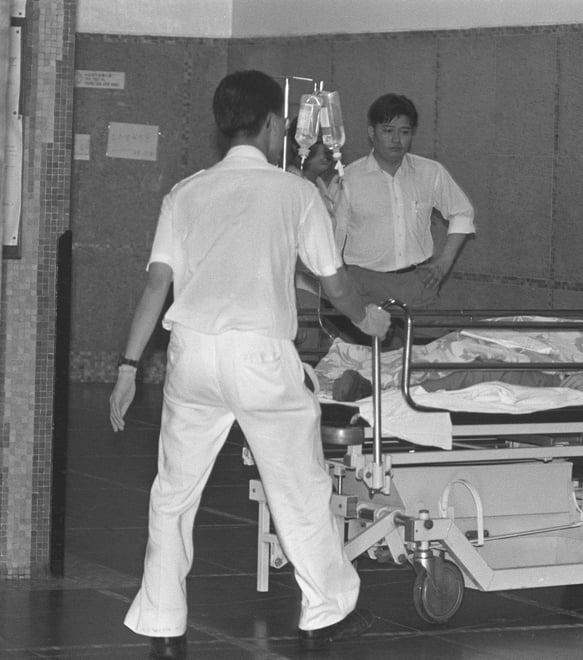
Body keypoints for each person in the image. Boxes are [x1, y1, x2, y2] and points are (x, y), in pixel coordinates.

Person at [107, 70, 391, 659]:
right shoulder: (294, 194)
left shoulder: (185, 193)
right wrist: (368, 320)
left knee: (173, 492)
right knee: (299, 487)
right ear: (271, 123)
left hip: (191, 356)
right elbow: (335, 282)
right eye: (282, 123)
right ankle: (323, 612)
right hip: (260, 356)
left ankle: (163, 623)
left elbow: (157, 283)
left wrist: (128, 366)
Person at [331, 308, 583, 400]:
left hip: (554, 370)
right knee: (460, 341)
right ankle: (367, 371)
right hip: (544, 343)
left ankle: (381, 389)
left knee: (475, 367)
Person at [335, 93, 476, 313]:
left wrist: (444, 262)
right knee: (366, 337)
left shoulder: (430, 172)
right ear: (372, 133)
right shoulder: (348, 179)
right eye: (388, 131)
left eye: (404, 132)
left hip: (418, 281)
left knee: (426, 335)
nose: (396, 139)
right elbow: (333, 239)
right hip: (364, 285)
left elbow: (462, 213)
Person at [285, 117, 342, 215]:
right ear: (297, 146)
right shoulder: (290, 185)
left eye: (329, 141)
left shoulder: (320, 185)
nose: (327, 149)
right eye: (318, 142)